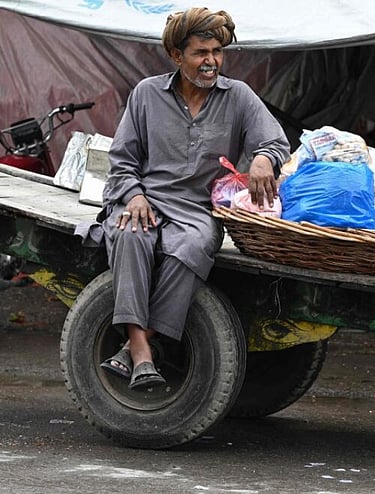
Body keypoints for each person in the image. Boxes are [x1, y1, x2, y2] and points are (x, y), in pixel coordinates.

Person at [94, 7, 290, 389]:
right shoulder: (147, 94)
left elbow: (273, 140)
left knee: (195, 243)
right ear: (176, 56)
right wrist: (133, 195)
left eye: (217, 52)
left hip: (197, 210)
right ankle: (140, 351)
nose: (211, 61)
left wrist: (265, 159)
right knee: (131, 236)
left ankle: (136, 347)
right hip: (145, 200)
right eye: (201, 53)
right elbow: (121, 159)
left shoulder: (239, 97)